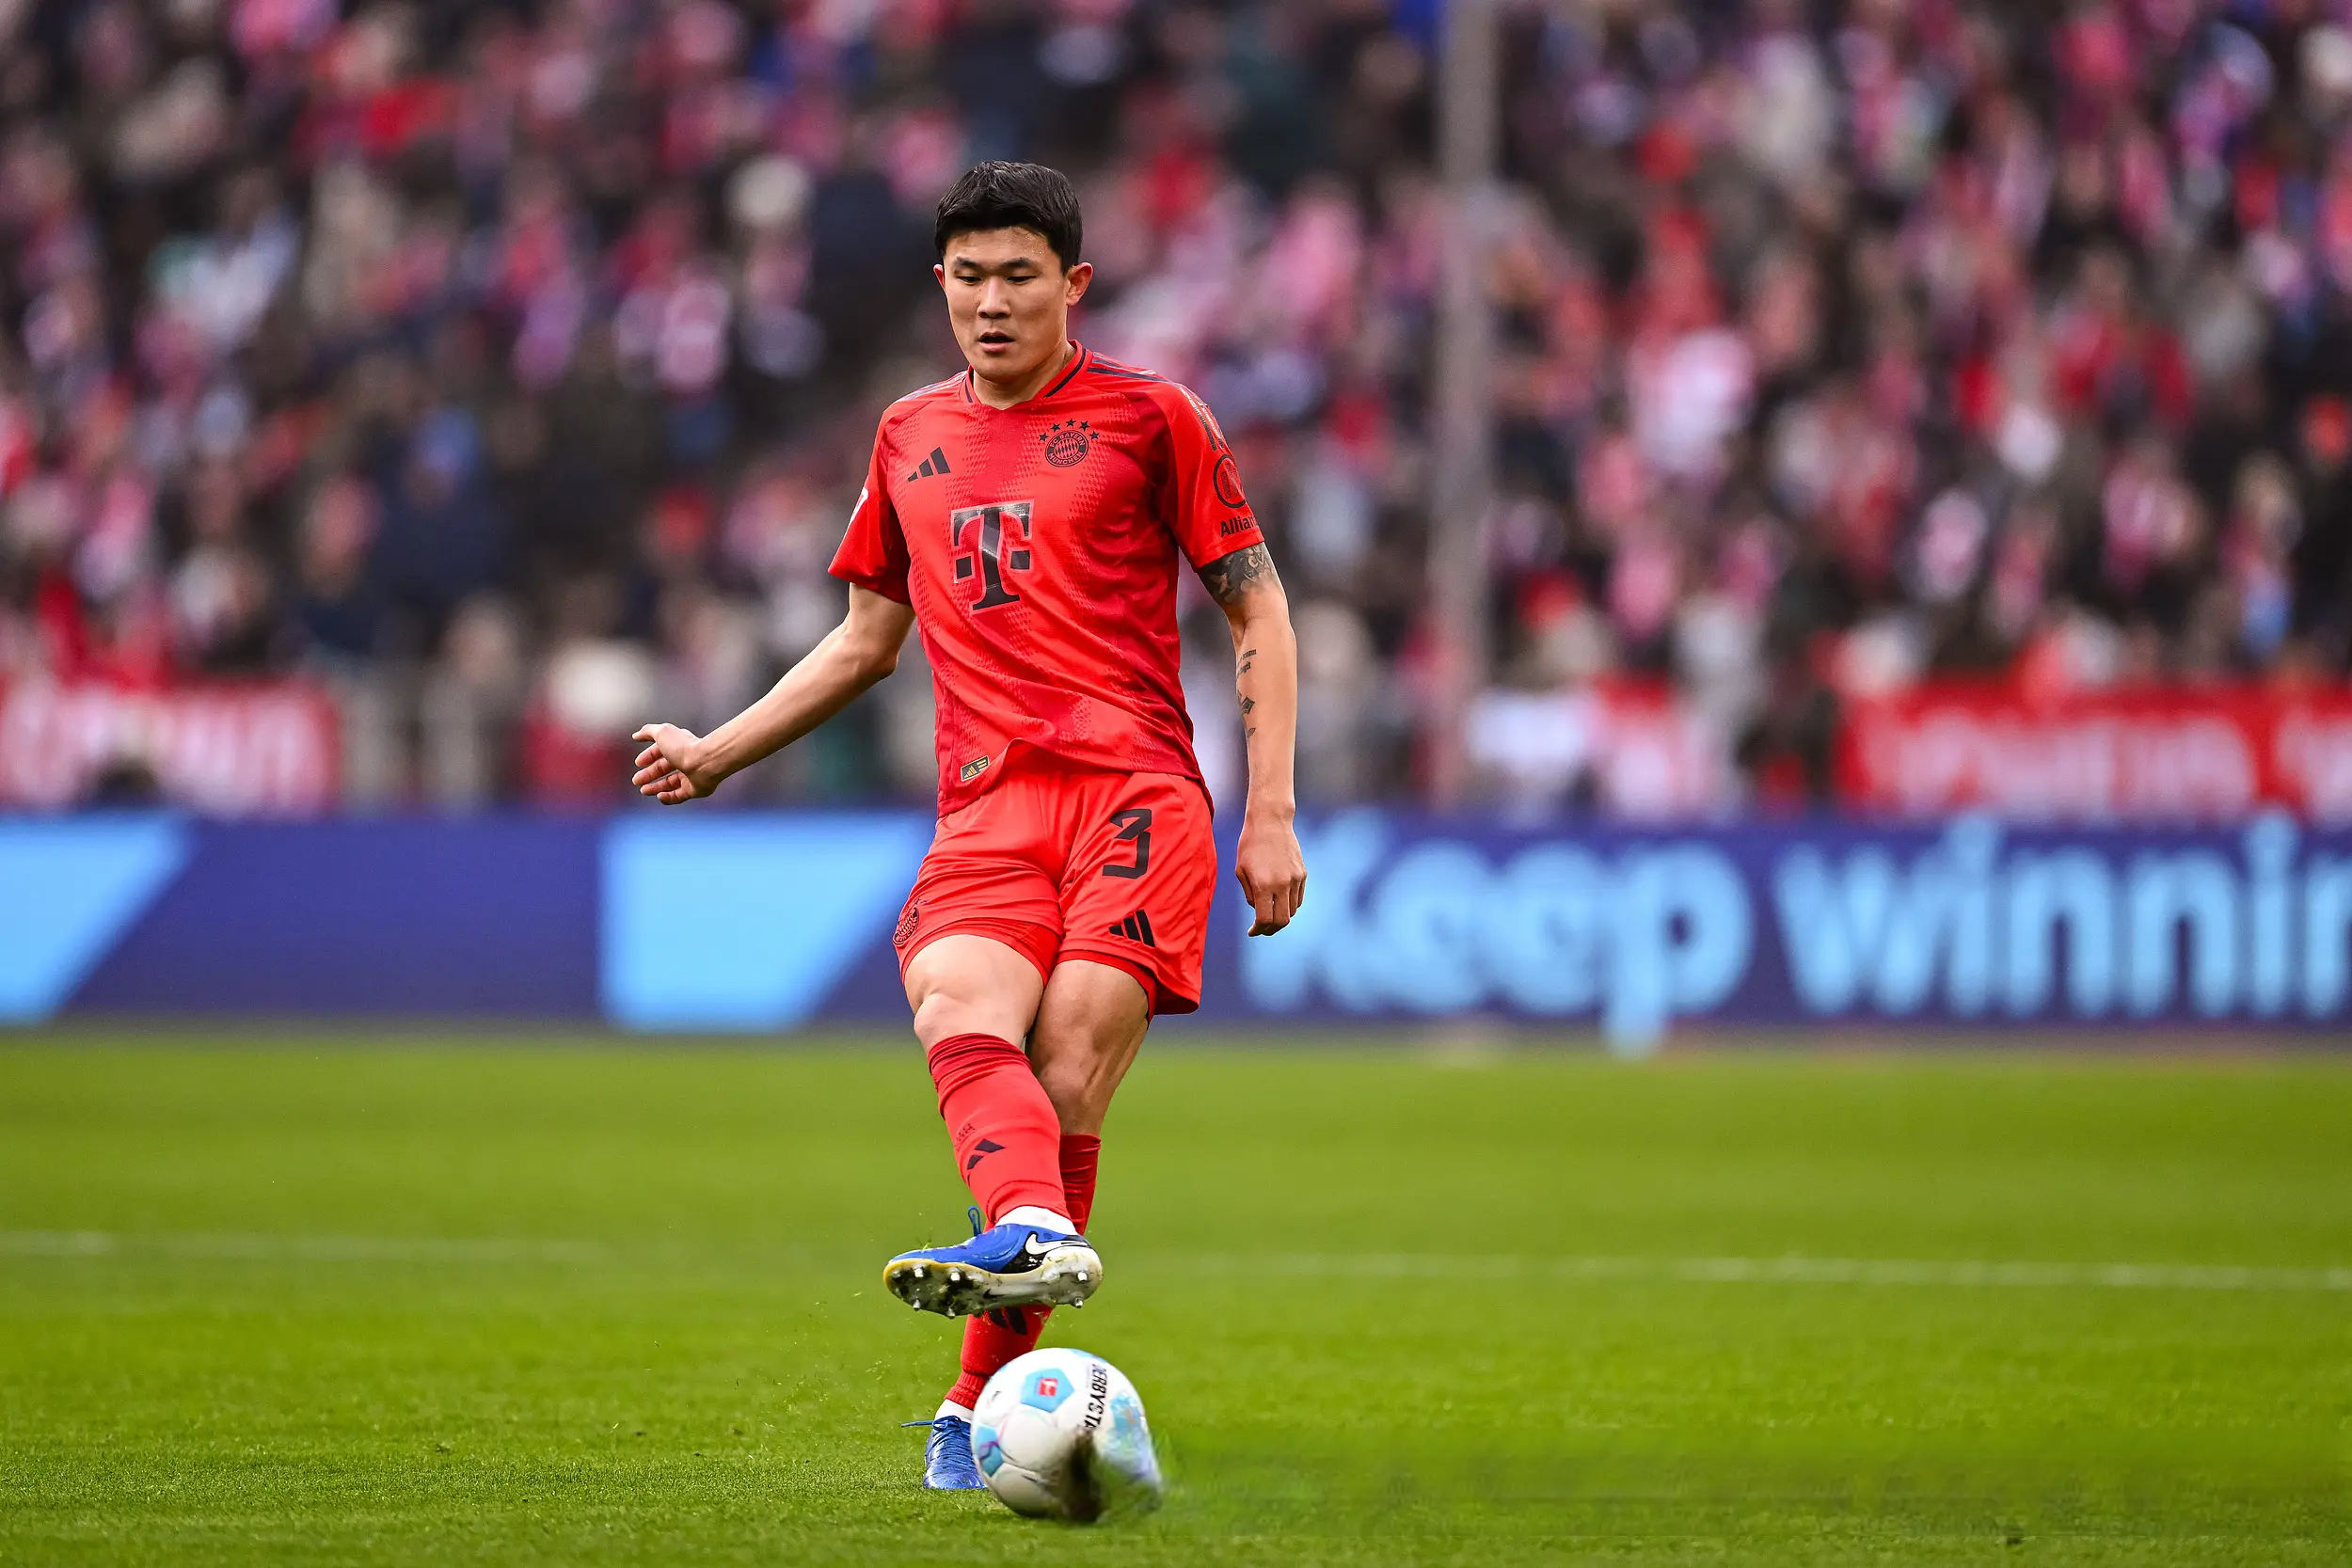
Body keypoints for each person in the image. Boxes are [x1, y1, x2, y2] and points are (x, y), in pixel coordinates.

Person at [627, 161, 1307, 1490]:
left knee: (1065, 1074)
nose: (992, 304)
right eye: (970, 278)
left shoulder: (1155, 418)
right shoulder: (906, 435)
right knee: (955, 1006)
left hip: (1133, 794)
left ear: (1073, 285)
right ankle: (1033, 1231)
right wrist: (716, 752)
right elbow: (863, 642)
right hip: (986, 807)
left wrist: (1270, 811)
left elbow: (1259, 609)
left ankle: (966, 1400)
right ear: (940, 283)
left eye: (1019, 278)